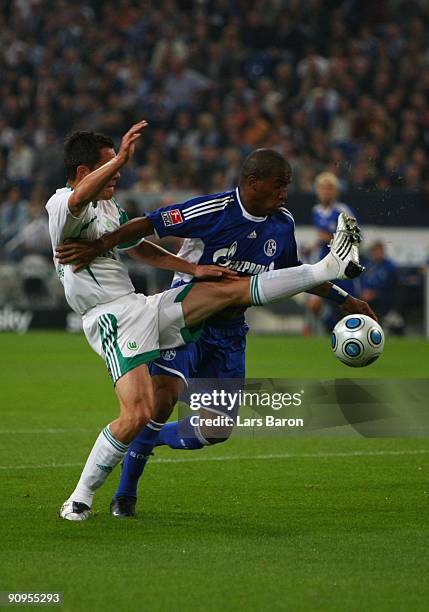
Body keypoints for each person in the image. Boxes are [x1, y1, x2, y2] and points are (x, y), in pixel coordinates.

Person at [51, 120, 363, 521]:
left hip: (220, 331)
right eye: (278, 183)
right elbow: (150, 223)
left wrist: (343, 298)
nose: (285, 192)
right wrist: (104, 238)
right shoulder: (207, 208)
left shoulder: (281, 225)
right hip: (152, 319)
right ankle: (121, 493)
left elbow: (285, 275)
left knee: (213, 429)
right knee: (157, 402)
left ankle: (329, 269)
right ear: (252, 182)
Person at [306, 172, 358, 332]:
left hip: (342, 265)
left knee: (348, 308)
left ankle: (350, 334)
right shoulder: (316, 211)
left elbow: (355, 238)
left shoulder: (342, 211)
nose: (325, 192)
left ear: (335, 191)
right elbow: (322, 239)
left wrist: (330, 238)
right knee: (314, 304)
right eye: (322, 188)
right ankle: (329, 331)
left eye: (329, 188)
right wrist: (314, 246)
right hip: (324, 263)